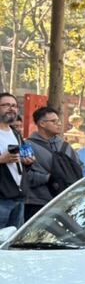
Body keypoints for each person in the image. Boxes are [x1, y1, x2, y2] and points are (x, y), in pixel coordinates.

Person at [25, 106, 83, 220]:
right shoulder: (27, 146)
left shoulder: (65, 145)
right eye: (54, 121)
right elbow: (24, 175)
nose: (59, 124)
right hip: (38, 203)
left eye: (59, 121)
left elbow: (79, 166)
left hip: (64, 201)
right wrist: (48, 178)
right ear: (42, 123)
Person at [0, 93, 29, 228]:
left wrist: (28, 161)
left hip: (18, 197)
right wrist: (1, 159)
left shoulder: (16, 133)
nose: (11, 108)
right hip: (2, 199)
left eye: (14, 106)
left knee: (13, 239)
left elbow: (24, 161)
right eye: (6, 105)